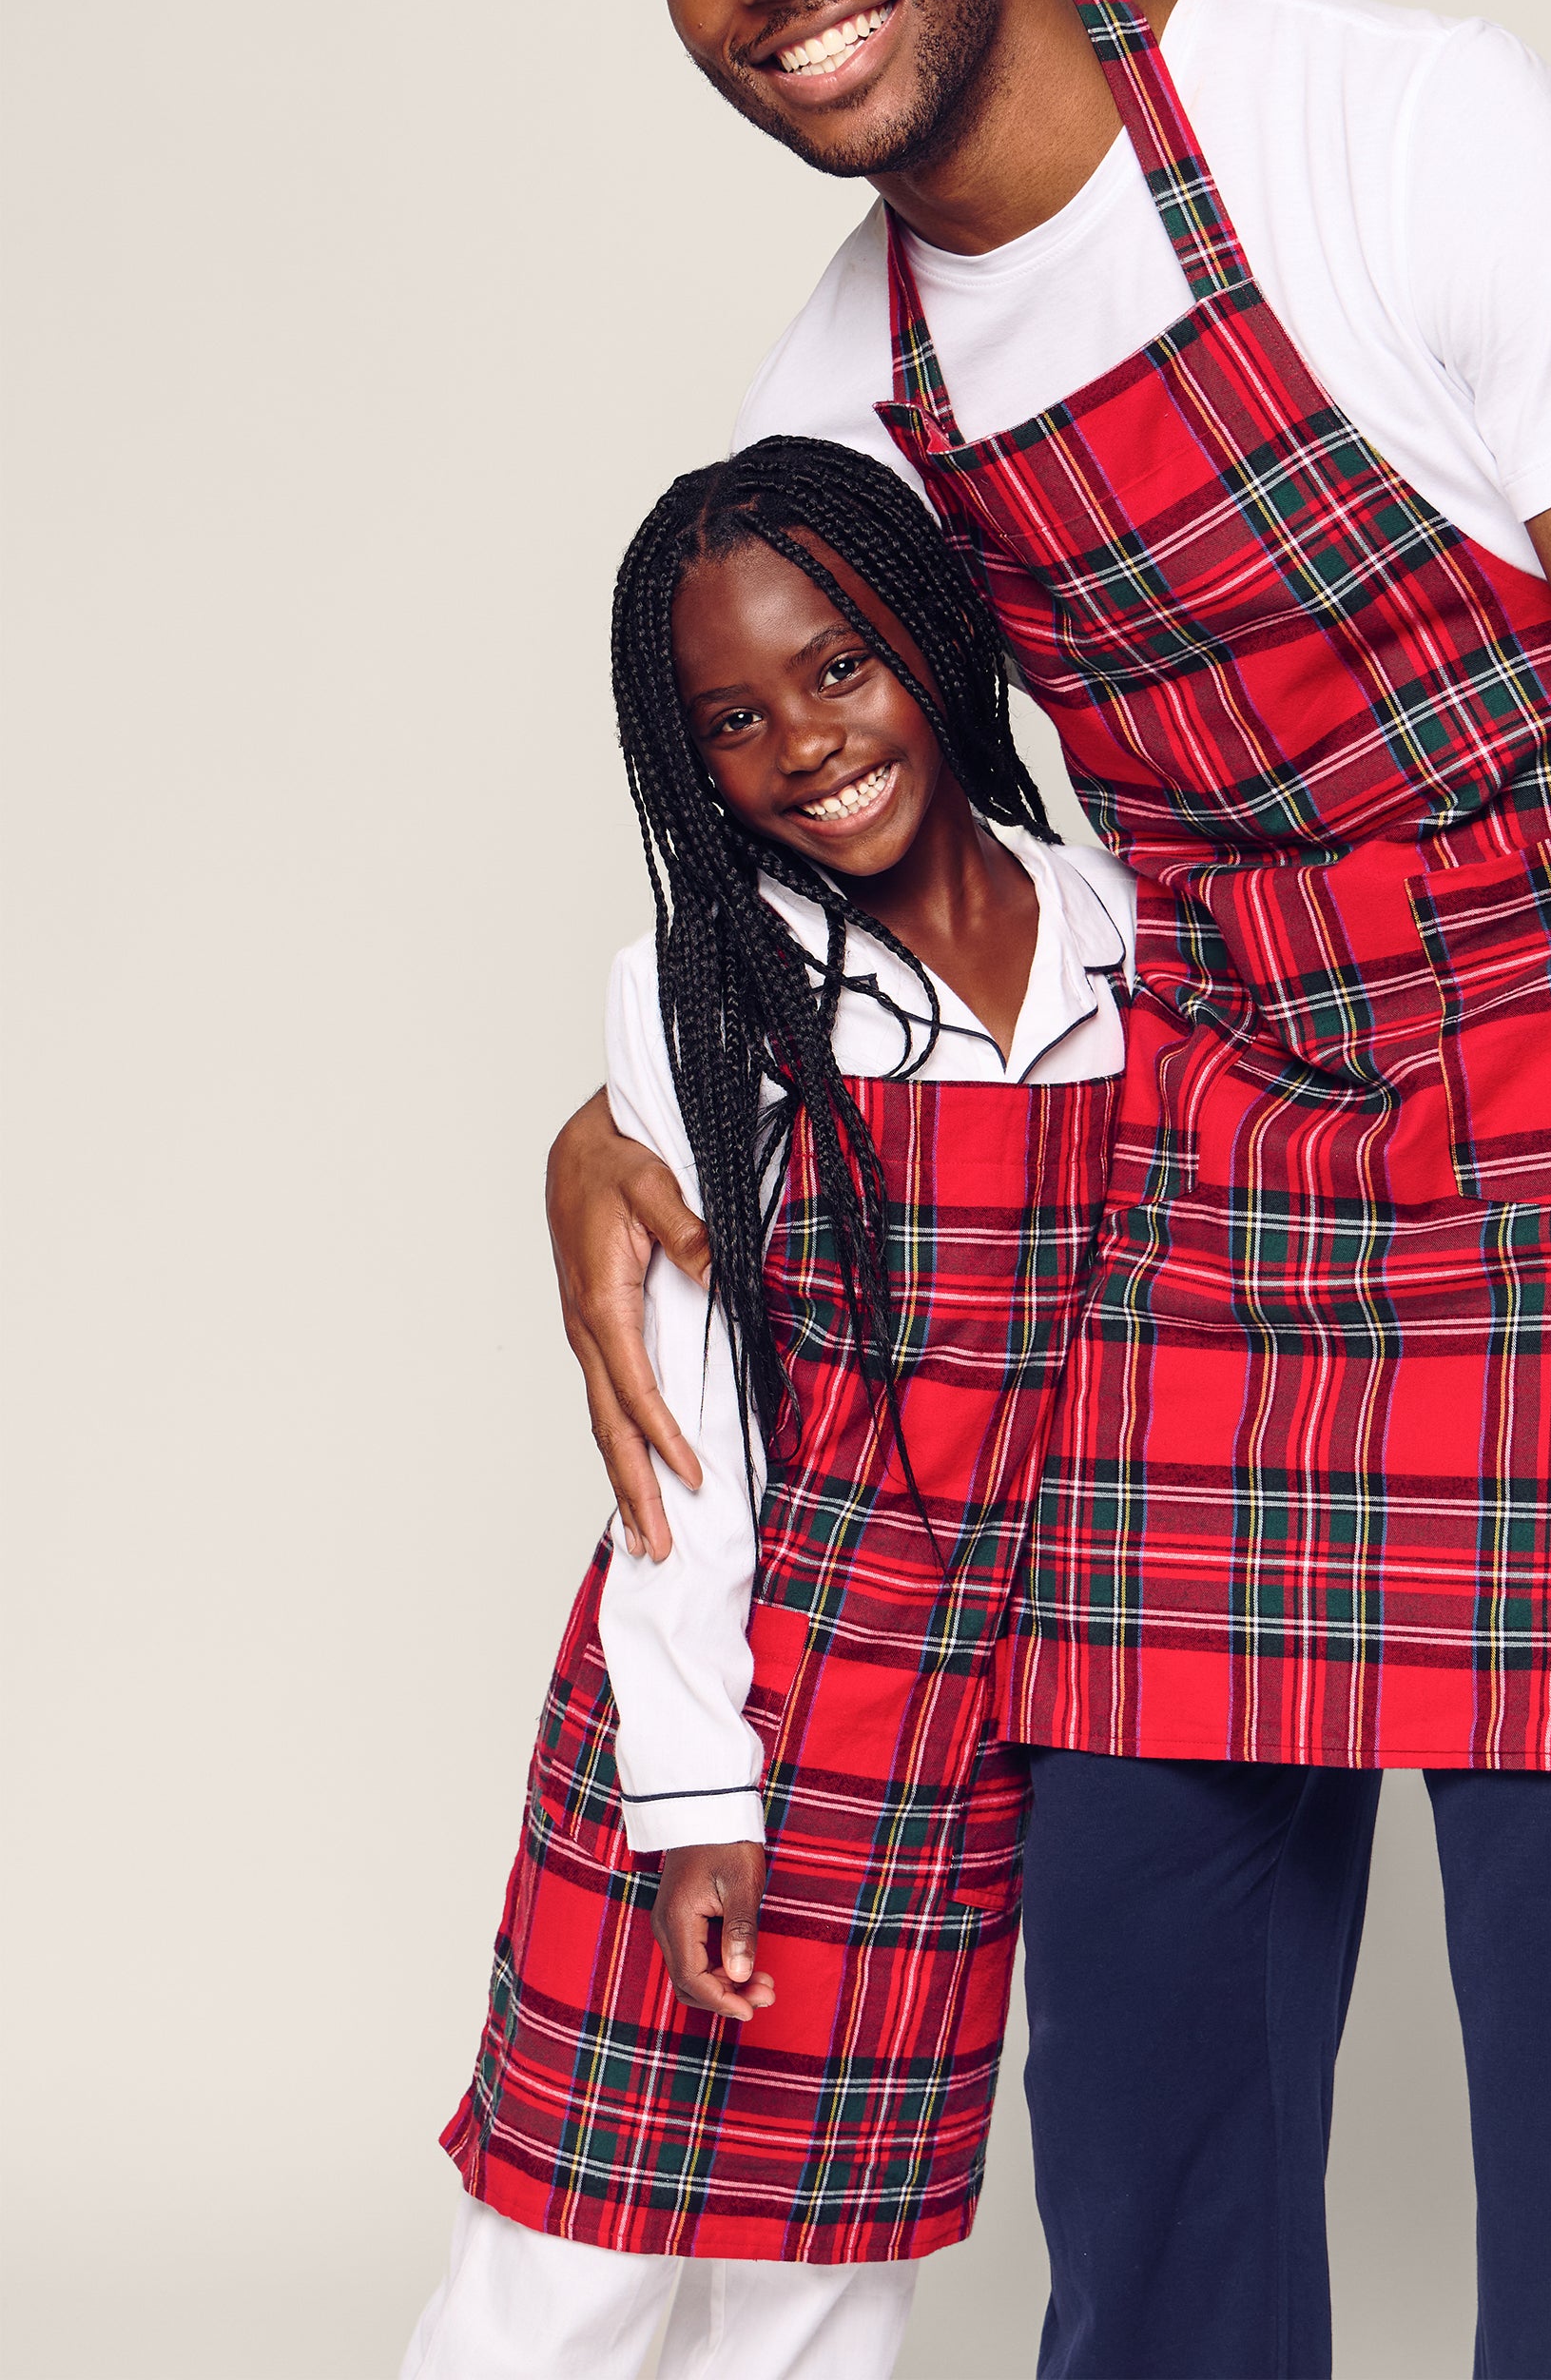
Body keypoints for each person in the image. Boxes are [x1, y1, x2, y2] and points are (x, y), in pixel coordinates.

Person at [546, 0, 1551, 2379]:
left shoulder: (1390, 130)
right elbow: (796, 831)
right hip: (1226, 1174)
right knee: (1142, 2107)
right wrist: (598, 1111)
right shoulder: (852, 383)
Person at [406, 439, 1134, 2379]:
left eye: (837, 667)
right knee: (561, 2266)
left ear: (933, 635)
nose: (804, 743)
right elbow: (686, 1443)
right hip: (726, 1678)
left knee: (829, 2281)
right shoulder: (712, 988)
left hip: (962, 1732)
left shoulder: (1125, 939)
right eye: (730, 719)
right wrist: (692, 1794)